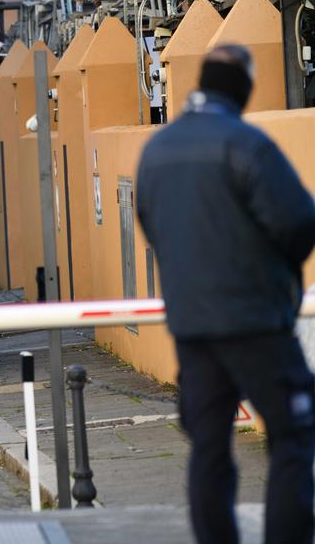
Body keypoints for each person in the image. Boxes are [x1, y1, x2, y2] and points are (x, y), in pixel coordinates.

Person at [136, 44, 315, 544]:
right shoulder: (246, 144)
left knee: (209, 448)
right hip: (255, 320)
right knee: (294, 436)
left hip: (192, 325)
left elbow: (151, 224)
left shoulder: (156, 150)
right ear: (243, 87)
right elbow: (298, 222)